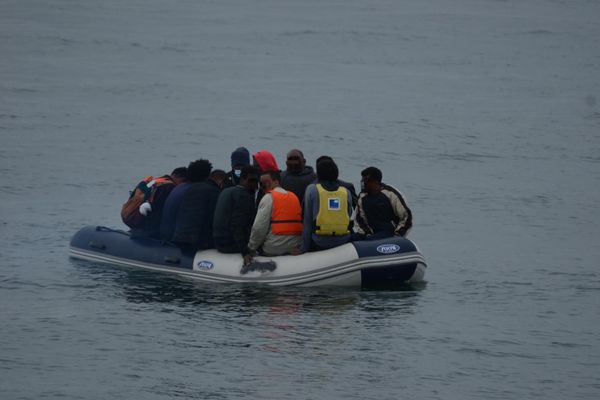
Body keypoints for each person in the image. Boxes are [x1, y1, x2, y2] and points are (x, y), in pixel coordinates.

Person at [245, 170, 303, 264]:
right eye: (261, 183)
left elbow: (259, 228)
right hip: (295, 246)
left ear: (277, 181)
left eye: (267, 182)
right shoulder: (294, 196)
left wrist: (251, 248)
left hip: (274, 248)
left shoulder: (268, 198)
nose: (264, 185)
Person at [302, 158, 353, 252]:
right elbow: (348, 215)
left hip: (319, 241)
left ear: (319, 174)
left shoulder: (312, 190)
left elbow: (307, 222)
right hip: (343, 239)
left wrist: (304, 249)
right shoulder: (346, 192)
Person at [171, 159, 222, 251]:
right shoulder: (213, 191)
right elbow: (215, 219)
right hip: (197, 242)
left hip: (177, 237)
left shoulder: (186, 189)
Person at [355, 166, 413, 240]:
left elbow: (406, 216)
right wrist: (367, 233)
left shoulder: (390, 193)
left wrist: (398, 235)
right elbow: (360, 219)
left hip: (389, 232)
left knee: (370, 240)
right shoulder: (362, 196)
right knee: (350, 238)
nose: (363, 183)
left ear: (375, 182)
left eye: (365, 181)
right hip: (371, 233)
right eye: (362, 180)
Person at [213, 166, 260, 257]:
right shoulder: (243, 196)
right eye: (252, 180)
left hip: (218, 242)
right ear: (243, 179)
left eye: (256, 181)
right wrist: (245, 252)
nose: (255, 184)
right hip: (230, 244)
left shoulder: (226, 191)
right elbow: (237, 225)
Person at [159, 167, 192, 241]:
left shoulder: (157, 181)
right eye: (183, 181)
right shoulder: (170, 187)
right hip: (153, 229)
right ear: (180, 178)